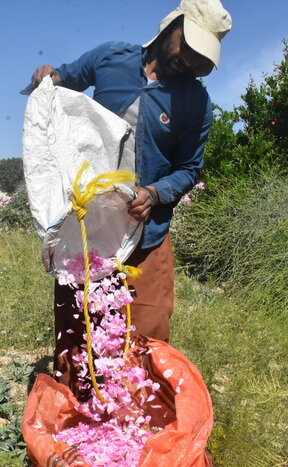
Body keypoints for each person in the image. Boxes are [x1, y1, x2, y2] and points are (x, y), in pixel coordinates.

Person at [30, 0, 232, 398]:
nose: (190, 62)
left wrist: (155, 193)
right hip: (90, 230)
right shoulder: (111, 58)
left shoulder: (195, 102)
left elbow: (189, 168)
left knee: (147, 331)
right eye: (188, 48)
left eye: (200, 57)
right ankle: (80, 408)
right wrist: (47, 75)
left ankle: (140, 421)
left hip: (148, 232)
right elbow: (63, 78)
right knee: (79, 326)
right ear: (172, 25)